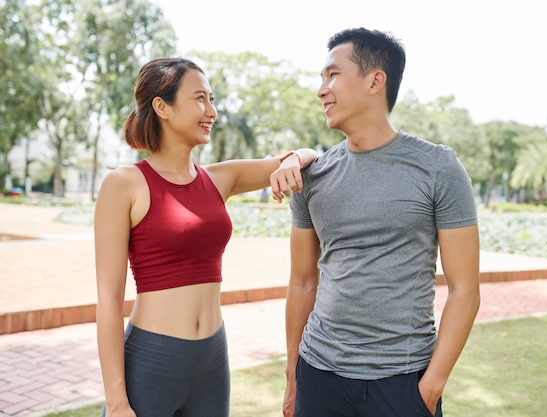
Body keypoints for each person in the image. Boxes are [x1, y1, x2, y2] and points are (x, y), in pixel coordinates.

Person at [94, 56, 317, 417]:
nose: (211, 110)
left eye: (212, 99)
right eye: (200, 98)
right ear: (162, 107)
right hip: (153, 358)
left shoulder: (219, 178)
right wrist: (117, 400)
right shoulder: (123, 184)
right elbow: (108, 300)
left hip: (212, 359)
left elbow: (310, 155)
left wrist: (292, 158)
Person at [283, 28, 480, 417]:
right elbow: (302, 281)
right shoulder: (312, 176)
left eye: (332, 75)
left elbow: (465, 290)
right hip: (318, 376)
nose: (321, 89)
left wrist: (429, 389)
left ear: (375, 80)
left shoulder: (438, 167)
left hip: (403, 382)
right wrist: (293, 377)